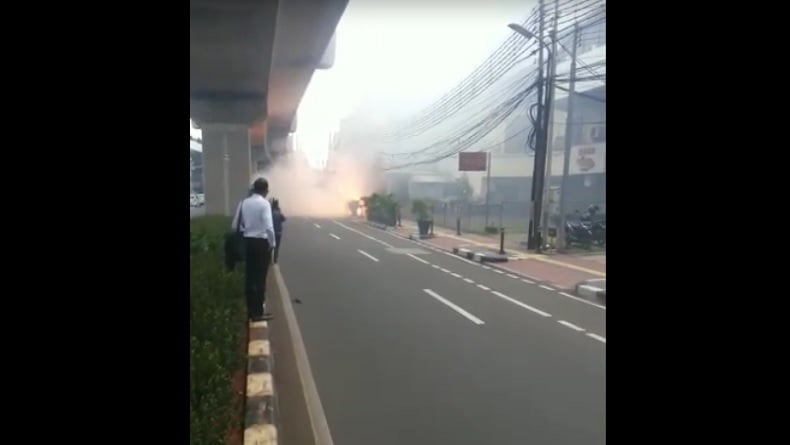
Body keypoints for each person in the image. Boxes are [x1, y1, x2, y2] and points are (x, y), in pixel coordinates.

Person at [230, 178, 276, 321]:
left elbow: (234, 225)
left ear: (254, 189)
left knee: (250, 278)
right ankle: (258, 312)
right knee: (260, 278)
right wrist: (272, 243)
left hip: (247, 243)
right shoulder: (264, 204)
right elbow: (269, 227)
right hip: (261, 244)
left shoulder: (243, 203)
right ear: (265, 190)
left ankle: (250, 311)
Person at [270, 198, 287, 263]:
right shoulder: (279, 212)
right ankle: (275, 259)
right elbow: (284, 219)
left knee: (271, 246)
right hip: (278, 233)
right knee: (277, 247)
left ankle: (269, 260)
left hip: (271, 232)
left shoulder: (270, 212)